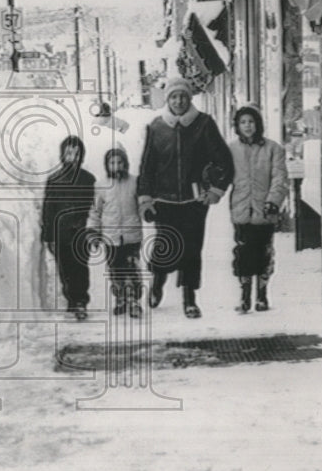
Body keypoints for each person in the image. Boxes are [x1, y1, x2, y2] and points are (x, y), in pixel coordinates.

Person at [137, 77, 234, 318]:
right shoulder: (156, 127)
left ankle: (190, 299)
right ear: (167, 99)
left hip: (194, 201)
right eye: (174, 96)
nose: (179, 100)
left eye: (182, 96)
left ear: (189, 98)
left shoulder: (204, 124)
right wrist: (146, 198)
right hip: (164, 200)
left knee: (192, 250)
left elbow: (225, 161)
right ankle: (158, 283)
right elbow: (147, 166)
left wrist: (215, 190)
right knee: (164, 247)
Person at [228, 104, 289, 312]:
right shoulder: (231, 150)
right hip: (241, 210)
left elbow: (280, 178)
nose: (247, 126)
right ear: (237, 125)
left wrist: (273, 201)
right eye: (243, 122)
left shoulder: (273, 149)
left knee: (264, 252)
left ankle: (262, 295)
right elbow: (222, 175)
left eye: (251, 121)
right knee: (243, 253)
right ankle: (244, 296)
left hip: (265, 211)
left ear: (258, 124)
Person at [41, 135, 96, 320]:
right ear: (63, 155)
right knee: (65, 269)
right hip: (61, 234)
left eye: (76, 153)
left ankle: (81, 301)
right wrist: (48, 235)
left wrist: (92, 229)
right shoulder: (54, 180)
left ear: (82, 155)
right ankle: (71, 300)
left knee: (80, 267)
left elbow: (94, 207)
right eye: (69, 153)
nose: (73, 156)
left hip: (80, 233)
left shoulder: (88, 179)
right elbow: (49, 208)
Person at [87, 147, 144, 318]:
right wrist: (93, 231)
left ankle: (134, 300)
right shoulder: (101, 185)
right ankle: (120, 297)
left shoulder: (135, 182)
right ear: (107, 165)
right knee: (115, 269)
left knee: (132, 268)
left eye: (120, 162)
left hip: (132, 235)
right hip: (110, 237)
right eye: (112, 163)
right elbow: (95, 211)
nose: (117, 166)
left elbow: (143, 204)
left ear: (125, 164)